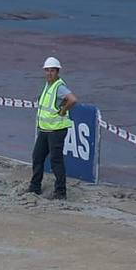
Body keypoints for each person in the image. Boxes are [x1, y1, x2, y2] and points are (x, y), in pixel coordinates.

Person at [26, 56, 77, 199]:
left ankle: (60, 192)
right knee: (37, 157)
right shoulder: (48, 85)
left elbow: (73, 99)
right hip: (45, 129)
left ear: (57, 72)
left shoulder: (59, 87)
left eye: (52, 70)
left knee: (56, 161)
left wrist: (63, 111)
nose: (49, 73)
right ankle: (35, 187)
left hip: (56, 130)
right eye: (47, 70)